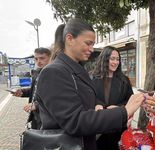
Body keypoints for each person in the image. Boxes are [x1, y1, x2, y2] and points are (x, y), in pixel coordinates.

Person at [36, 18, 144, 150]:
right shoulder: (54, 72)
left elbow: (80, 105)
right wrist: (124, 112)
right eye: (88, 43)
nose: (91, 49)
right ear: (69, 39)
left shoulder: (76, 69)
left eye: (92, 44)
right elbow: (75, 121)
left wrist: (96, 107)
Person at [91, 46, 133, 150]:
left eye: (117, 59)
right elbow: (87, 97)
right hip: (98, 128)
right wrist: (96, 104)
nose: (115, 62)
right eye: (112, 59)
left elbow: (130, 100)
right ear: (104, 59)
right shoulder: (92, 78)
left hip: (117, 127)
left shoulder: (124, 80)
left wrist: (119, 107)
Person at [12, 47, 51, 129]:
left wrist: (36, 105)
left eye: (42, 58)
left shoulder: (54, 73)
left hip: (48, 117)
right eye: (36, 59)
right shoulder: (37, 72)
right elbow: (35, 90)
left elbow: (56, 96)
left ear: (50, 57)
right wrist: (22, 92)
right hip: (36, 116)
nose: (38, 61)